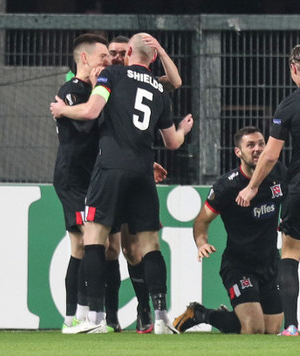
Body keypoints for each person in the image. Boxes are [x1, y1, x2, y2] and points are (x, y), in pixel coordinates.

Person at [50, 32, 194, 334]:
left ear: (128, 51)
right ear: (152, 58)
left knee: (94, 238)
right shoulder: (158, 90)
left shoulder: (113, 75)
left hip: (110, 167)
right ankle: (162, 319)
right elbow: (172, 143)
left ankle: (96, 320)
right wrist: (182, 129)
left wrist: (62, 110)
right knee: (150, 245)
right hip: (143, 172)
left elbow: (91, 111)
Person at [235, 44, 300, 336]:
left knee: (290, 254)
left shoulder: (289, 104)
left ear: (293, 68)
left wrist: (252, 187)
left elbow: (271, 155)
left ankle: (291, 325)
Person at [105, 33, 183, 334]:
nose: (113, 57)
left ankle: (143, 312)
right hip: (117, 168)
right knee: (111, 248)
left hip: (121, 168)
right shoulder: (111, 79)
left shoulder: (119, 78)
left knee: (130, 249)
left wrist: (159, 50)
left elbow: (174, 82)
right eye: (108, 53)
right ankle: (110, 316)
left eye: (116, 53)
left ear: (126, 53)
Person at [173, 126, 286, 335]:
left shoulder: (278, 173)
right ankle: (200, 314)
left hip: (270, 264)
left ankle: (222, 315)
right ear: (238, 152)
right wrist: (201, 242)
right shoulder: (227, 186)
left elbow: (292, 206)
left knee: (272, 330)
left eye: (261, 143)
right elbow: (201, 221)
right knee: (253, 329)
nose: (258, 149)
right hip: (239, 267)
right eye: (250, 145)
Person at [52, 33, 110, 334]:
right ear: (84, 58)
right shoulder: (72, 89)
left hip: (88, 176)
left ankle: (71, 317)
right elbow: (85, 124)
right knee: (89, 241)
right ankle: (84, 316)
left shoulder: (92, 90)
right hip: (72, 178)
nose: (108, 62)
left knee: (79, 247)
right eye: (103, 57)